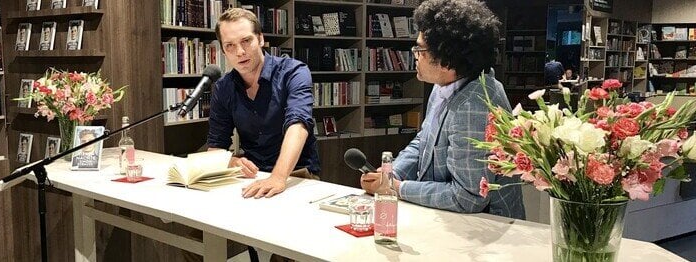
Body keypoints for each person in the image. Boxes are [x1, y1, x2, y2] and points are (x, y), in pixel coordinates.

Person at [359, 0, 525, 219]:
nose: (414, 55)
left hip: (483, 233)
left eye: (420, 49)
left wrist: (396, 187)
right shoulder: (445, 86)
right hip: (452, 223)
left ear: (447, 59)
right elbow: (424, 141)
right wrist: (391, 173)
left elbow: (467, 197)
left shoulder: (473, 106)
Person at [208, 8, 320, 199]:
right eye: (230, 46)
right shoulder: (223, 87)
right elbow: (216, 146)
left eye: (246, 41)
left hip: (297, 175)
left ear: (260, 39)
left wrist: (277, 177)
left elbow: (298, 126)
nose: (240, 52)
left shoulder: (293, 72)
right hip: (251, 177)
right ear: (223, 50)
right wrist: (231, 162)